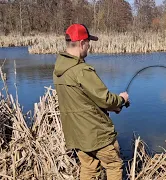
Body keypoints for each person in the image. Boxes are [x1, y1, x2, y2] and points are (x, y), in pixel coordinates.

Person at [53, 23, 129, 180]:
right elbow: (106, 99)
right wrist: (121, 100)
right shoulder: (81, 70)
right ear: (81, 43)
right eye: (88, 43)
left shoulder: (59, 70)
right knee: (114, 166)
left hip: (76, 134)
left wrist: (112, 107)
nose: (89, 47)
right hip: (96, 133)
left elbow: (83, 100)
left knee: (89, 167)